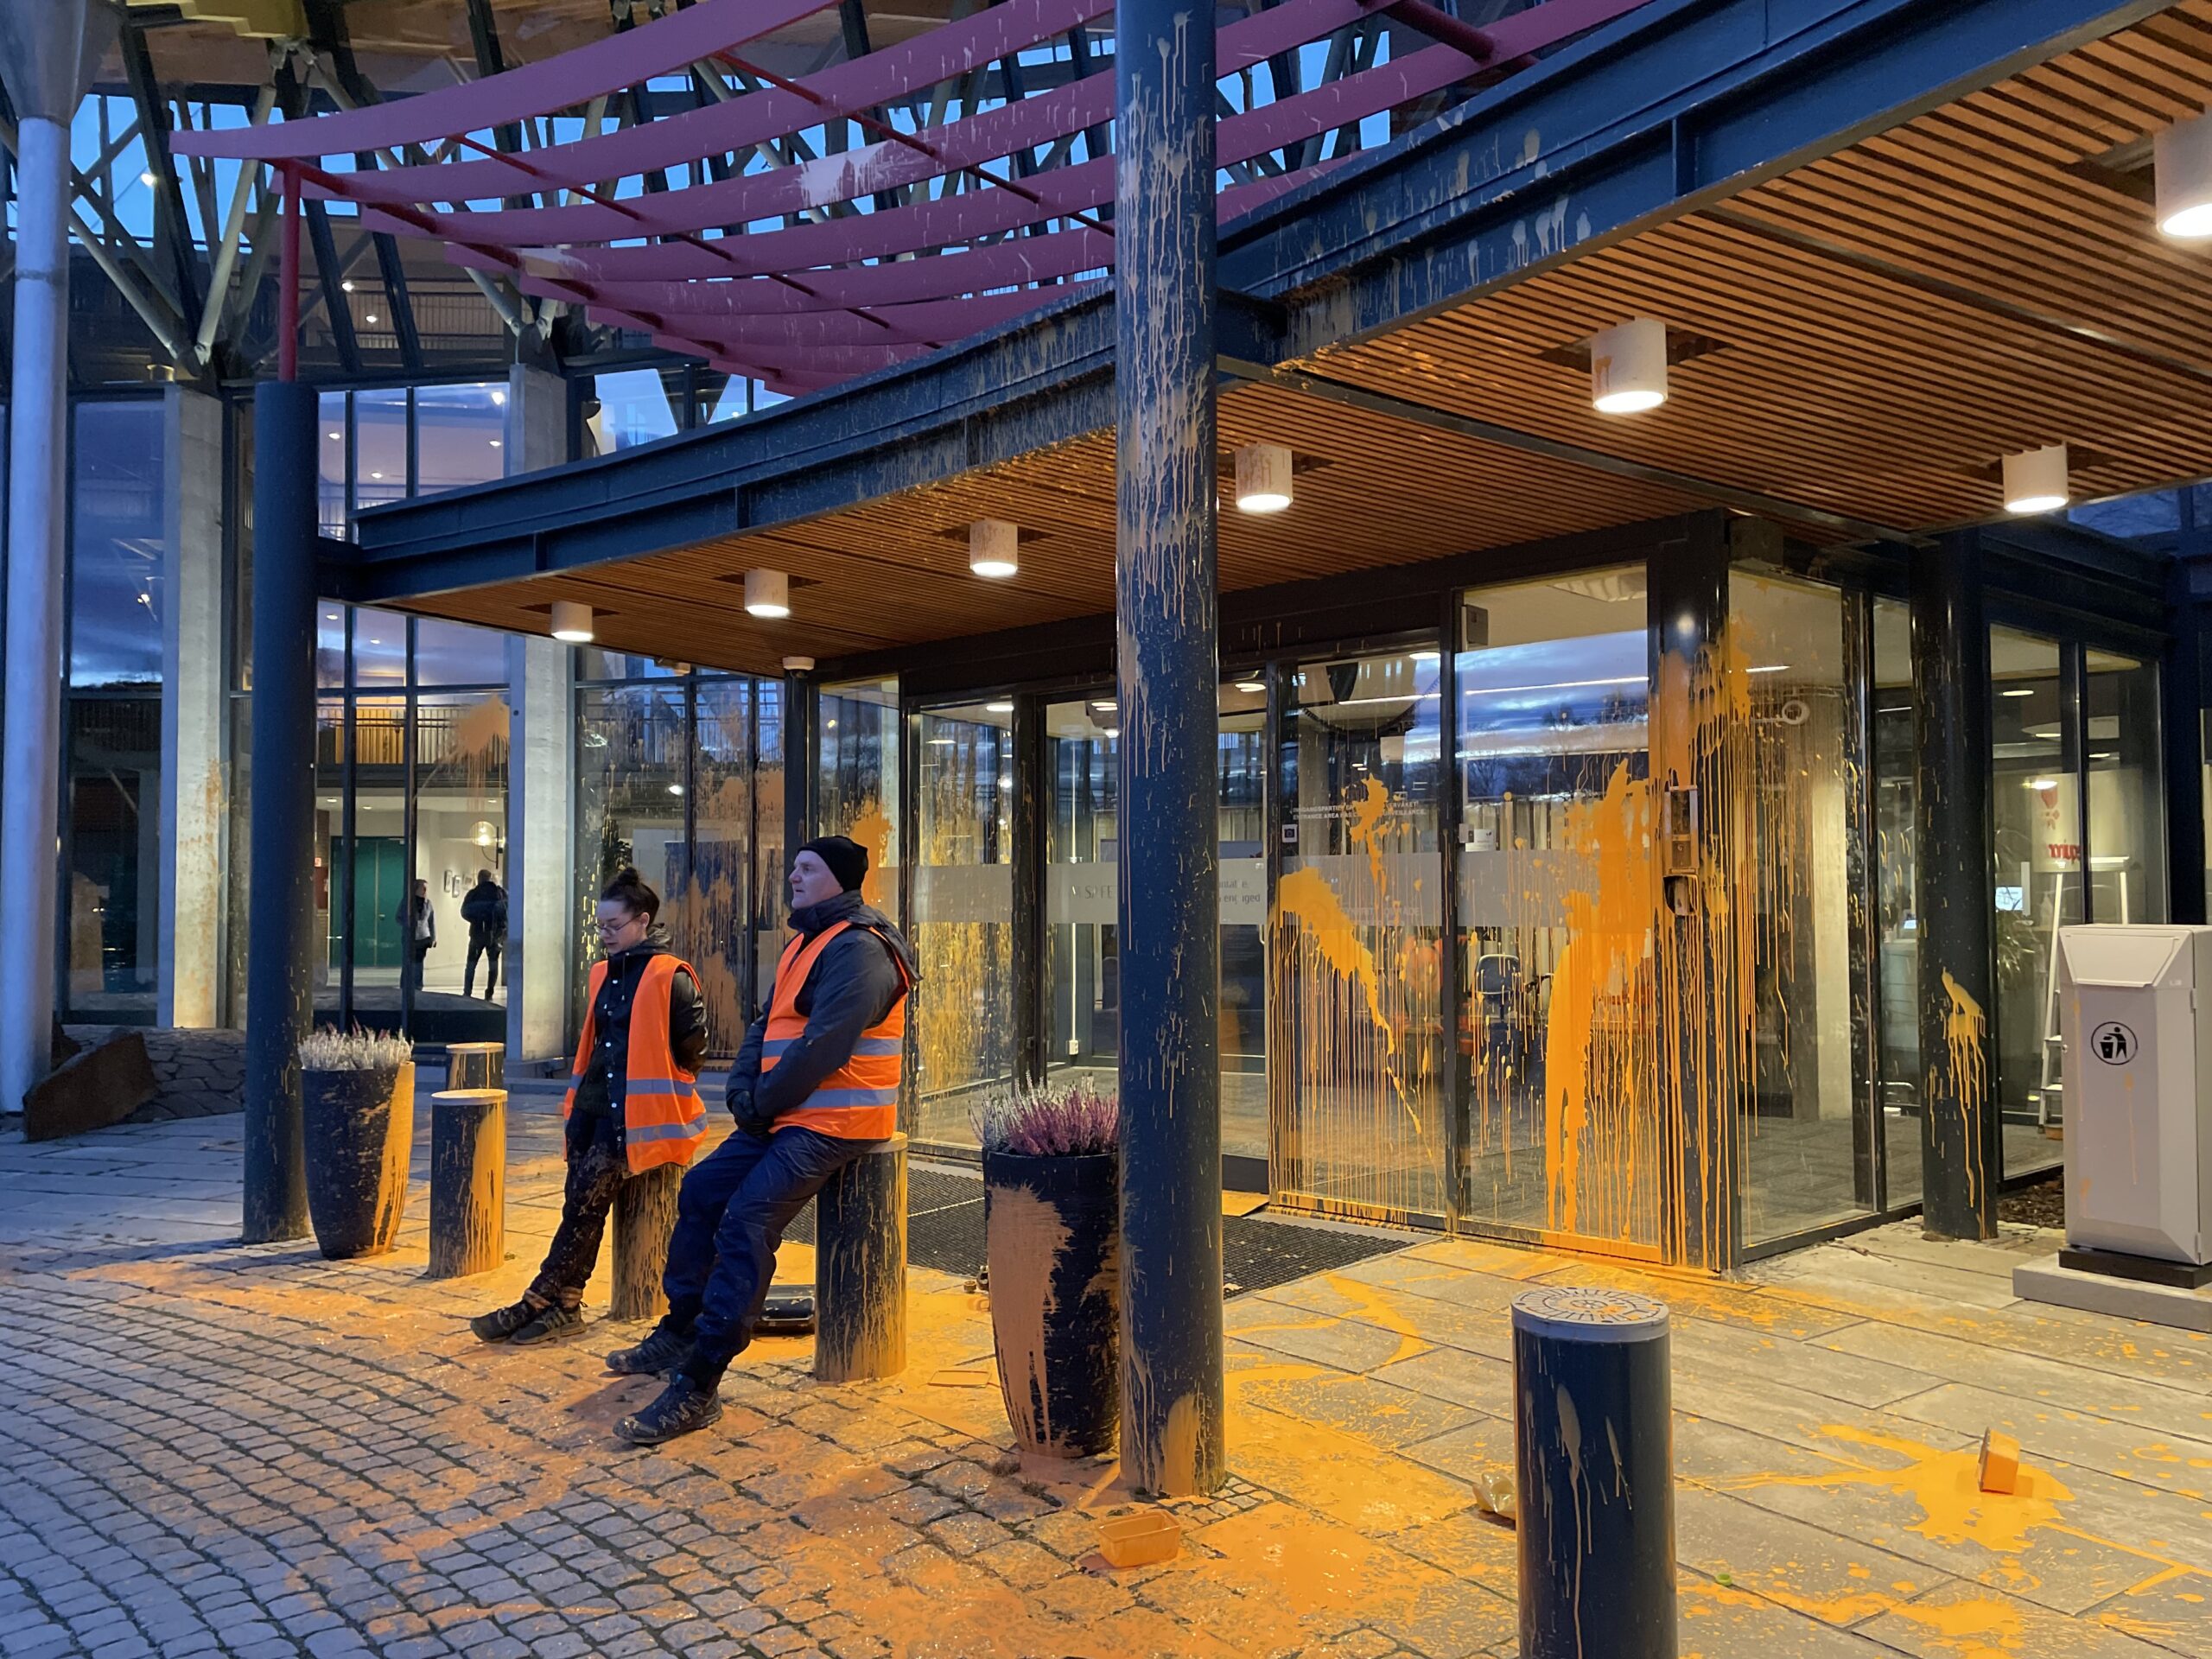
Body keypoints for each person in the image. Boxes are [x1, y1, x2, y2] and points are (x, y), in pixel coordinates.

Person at [606, 834, 917, 1445]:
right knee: (700, 1190)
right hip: (787, 1116)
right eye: (795, 867)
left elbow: (824, 1045)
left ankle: (699, 1381)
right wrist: (743, 1092)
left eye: (808, 868)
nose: (793, 876)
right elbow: (764, 1023)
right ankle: (683, 1327)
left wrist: (762, 1102)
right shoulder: (807, 941)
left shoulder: (862, 950)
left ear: (841, 880)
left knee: (745, 1219)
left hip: (837, 1121)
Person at [469, 868, 708, 1344]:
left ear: (642, 922)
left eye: (613, 926)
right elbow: (596, 1045)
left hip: (634, 1122)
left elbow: (694, 1049)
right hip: (591, 1111)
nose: (604, 934)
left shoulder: (670, 975)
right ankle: (567, 1305)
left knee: (580, 1209)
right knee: (581, 1209)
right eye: (599, 926)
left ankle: (536, 1299)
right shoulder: (603, 972)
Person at [460, 868, 507, 1001]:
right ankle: (489, 992)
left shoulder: (474, 894)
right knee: (493, 964)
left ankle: (467, 991)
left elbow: (464, 912)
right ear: (491, 878)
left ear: (479, 879)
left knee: (471, 964)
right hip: (495, 935)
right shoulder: (500, 893)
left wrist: (476, 920)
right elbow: (506, 912)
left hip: (477, 933)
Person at [397, 879, 435, 996]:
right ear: (416, 889)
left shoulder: (428, 903)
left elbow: (431, 921)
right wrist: (408, 923)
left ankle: (418, 986)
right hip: (410, 937)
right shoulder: (407, 902)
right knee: (408, 962)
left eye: (426, 889)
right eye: (423, 888)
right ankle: (404, 986)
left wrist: (433, 937)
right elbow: (398, 917)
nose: (425, 891)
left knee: (419, 963)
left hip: (423, 937)